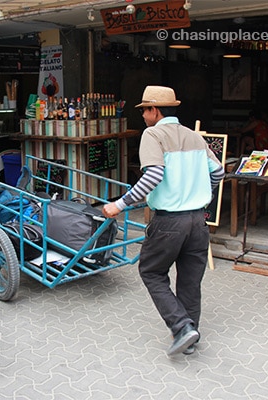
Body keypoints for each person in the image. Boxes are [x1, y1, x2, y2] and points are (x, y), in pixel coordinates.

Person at [102, 86, 224, 356]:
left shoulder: (153, 134)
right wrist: (200, 194)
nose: (143, 116)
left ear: (155, 110)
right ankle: (190, 336)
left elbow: (153, 175)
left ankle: (181, 327)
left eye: (145, 110)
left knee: (151, 272)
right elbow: (218, 172)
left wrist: (119, 205)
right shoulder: (194, 136)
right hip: (197, 221)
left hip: (170, 223)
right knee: (190, 282)